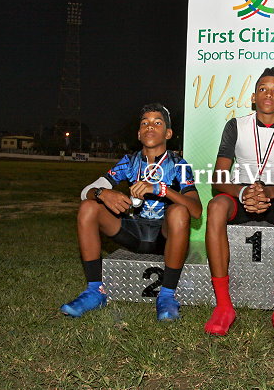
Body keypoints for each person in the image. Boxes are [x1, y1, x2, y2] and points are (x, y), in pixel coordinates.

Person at [60, 103, 202, 320]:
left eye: (157, 123)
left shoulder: (178, 164)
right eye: (144, 123)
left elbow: (196, 210)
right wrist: (102, 193)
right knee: (88, 206)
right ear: (138, 133)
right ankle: (95, 292)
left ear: (168, 133)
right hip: (133, 231)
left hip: (164, 237)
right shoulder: (129, 162)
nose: (150, 126)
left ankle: (166, 296)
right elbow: (85, 192)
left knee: (179, 212)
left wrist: (162, 189)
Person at [204, 67, 274, 341]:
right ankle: (223, 306)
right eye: (263, 88)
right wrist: (243, 193)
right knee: (215, 206)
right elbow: (218, 178)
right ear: (253, 97)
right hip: (241, 193)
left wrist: (269, 193)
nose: (268, 94)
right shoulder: (235, 125)